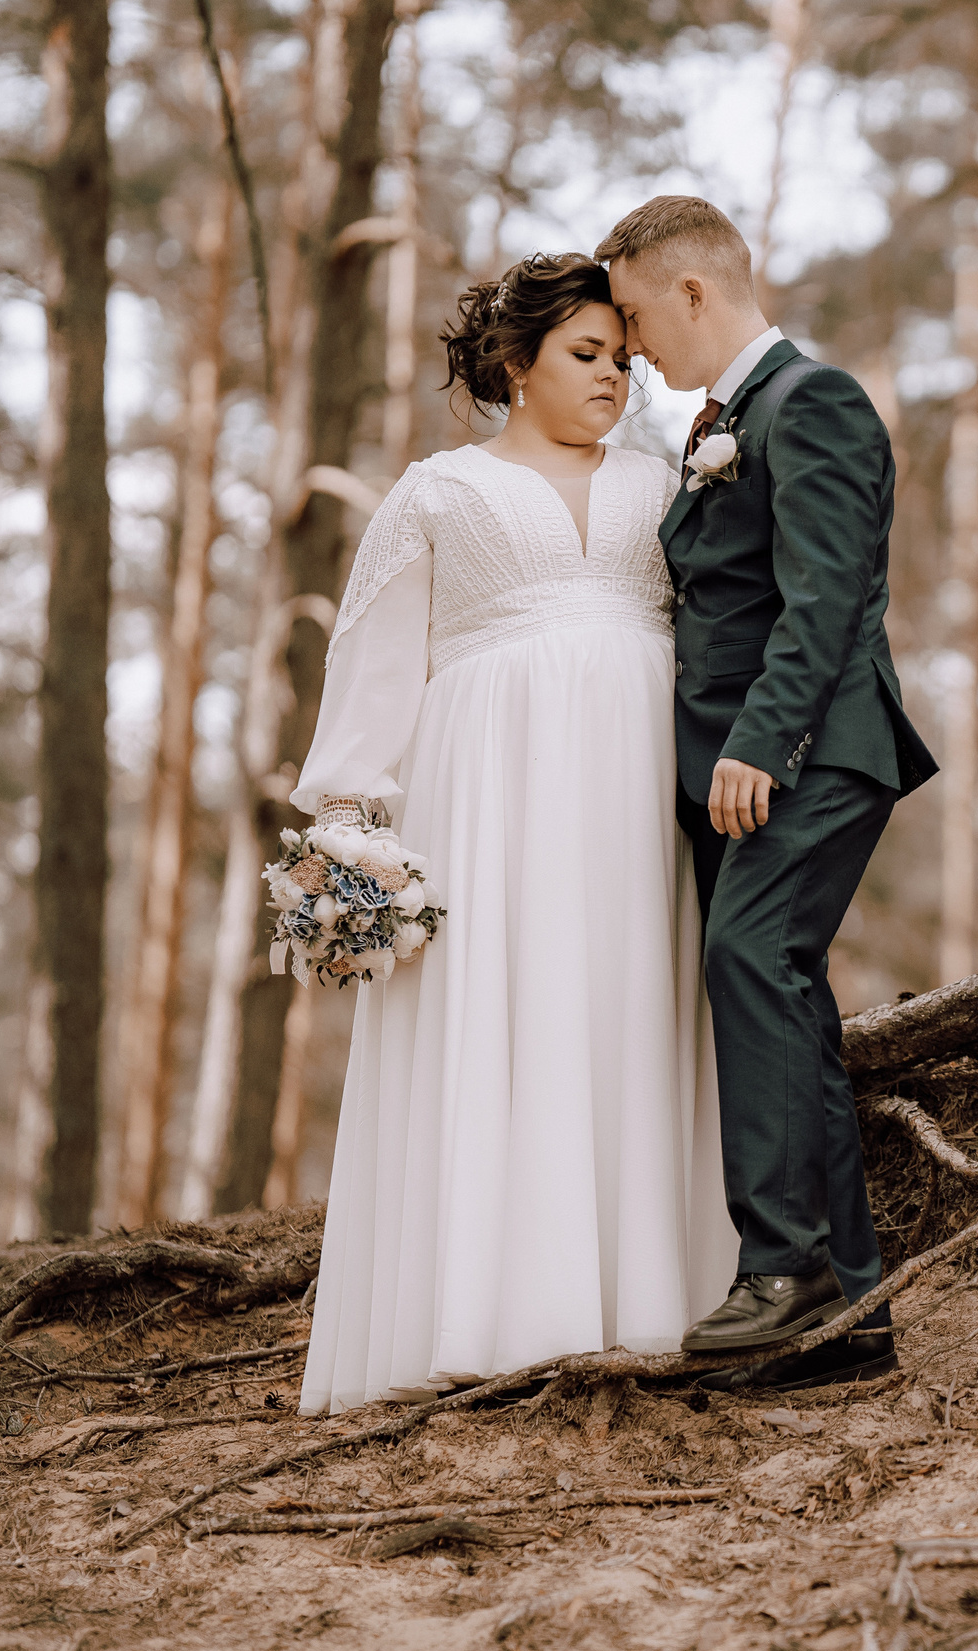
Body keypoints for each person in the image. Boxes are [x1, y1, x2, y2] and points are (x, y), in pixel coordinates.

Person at [293, 253, 737, 1416]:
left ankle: (651, 1304)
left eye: (623, 358)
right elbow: (376, 664)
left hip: (640, 792)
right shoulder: (438, 492)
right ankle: (485, 1313)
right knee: (502, 1010)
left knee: (627, 1008)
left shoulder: (663, 482)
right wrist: (352, 829)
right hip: (488, 786)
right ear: (512, 363)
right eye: (587, 356)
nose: (615, 378)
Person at [597, 196, 936, 1394]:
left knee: (748, 960)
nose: (632, 346)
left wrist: (761, 744)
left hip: (810, 751)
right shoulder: (724, 423)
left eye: (634, 316)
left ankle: (780, 1268)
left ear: (693, 291)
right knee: (782, 990)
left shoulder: (815, 402)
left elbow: (829, 593)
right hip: (748, 763)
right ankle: (851, 1318)